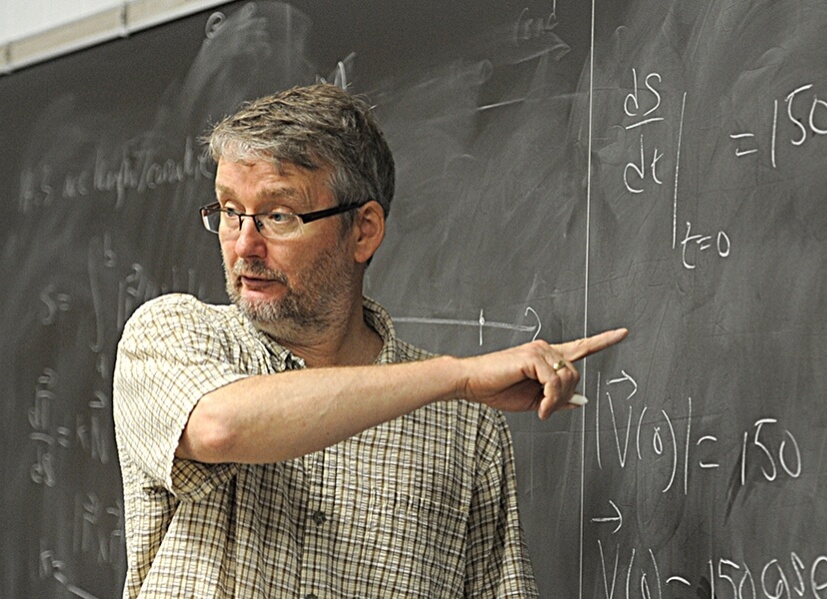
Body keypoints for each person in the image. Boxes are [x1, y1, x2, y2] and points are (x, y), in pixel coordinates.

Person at [112, 83, 626, 598]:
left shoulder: (466, 427)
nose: (245, 244)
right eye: (229, 211)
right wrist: (457, 376)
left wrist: (455, 393)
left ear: (364, 231)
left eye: (277, 216)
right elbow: (220, 427)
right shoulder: (170, 335)